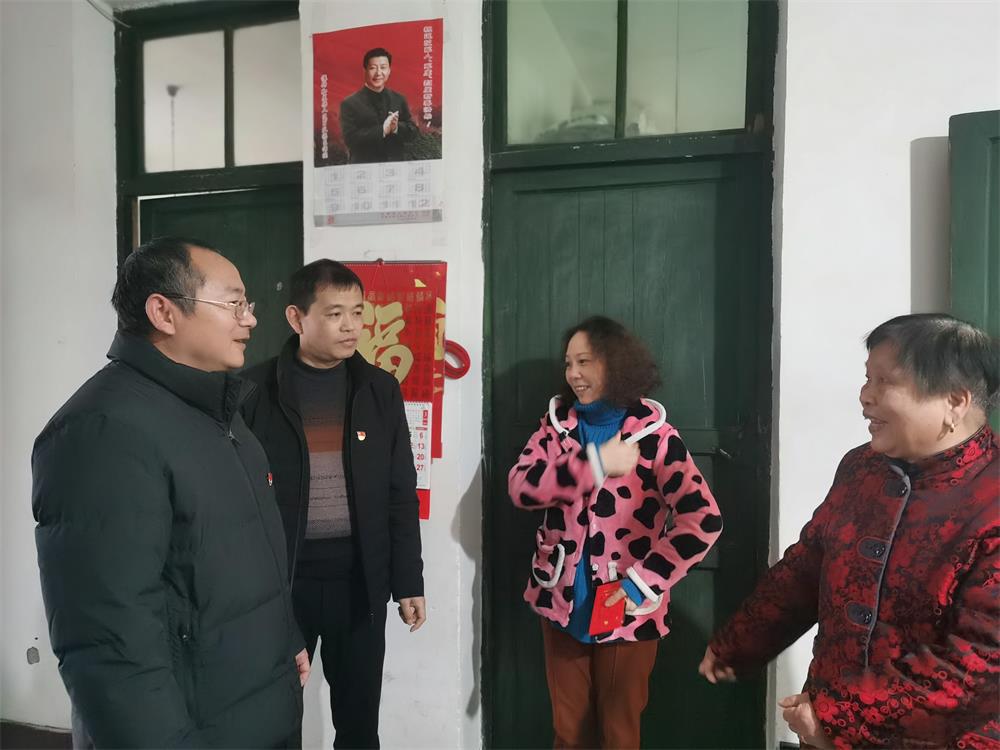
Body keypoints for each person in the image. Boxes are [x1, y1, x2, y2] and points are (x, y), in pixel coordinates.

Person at [32, 237, 308, 748]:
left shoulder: (219, 412)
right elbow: (108, 643)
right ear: (163, 312)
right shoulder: (102, 431)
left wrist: (286, 634)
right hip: (195, 728)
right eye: (234, 304)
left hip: (256, 708)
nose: (250, 319)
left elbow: (243, 556)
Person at [699, 313, 999, 749]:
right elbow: (806, 568)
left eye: (885, 382)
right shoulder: (862, 468)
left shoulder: (991, 499)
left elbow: (981, 665)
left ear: (954, 401)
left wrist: (834, 716)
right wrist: (739, 643)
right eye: (867, 378)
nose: (865, 396)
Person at [508, 315, 723, 749]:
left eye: (584, 361)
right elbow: (521, 487)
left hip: (627, 608)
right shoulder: (555, 427)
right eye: (568, 363)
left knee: (619, 735)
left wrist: (643, 582)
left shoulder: (656, 437)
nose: (573, 374)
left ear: (616, 363)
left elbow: (703, 518)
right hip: (561, 602)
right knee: (569, 734)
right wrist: (596, 464)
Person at [241, 259, 425, 749]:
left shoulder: (378, 390)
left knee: (360, 727)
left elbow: (400, 492)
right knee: (274, 722)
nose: (351, 326)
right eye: (335, 313)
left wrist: (409, 580)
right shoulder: (253, 392)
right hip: (282, 589)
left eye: (358, 312)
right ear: (296, 318)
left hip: (359, 585)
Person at [339, 47, 418, 163]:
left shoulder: (399, 99)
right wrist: (383, 129)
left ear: (389, 70)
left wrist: (396, 127)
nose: (378, 73)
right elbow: (350, 139)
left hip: (396, 166)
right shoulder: (349, 103)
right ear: (365, 70)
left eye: (383, 67)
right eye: (373, 68)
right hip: (364, 167)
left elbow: (413, 132)